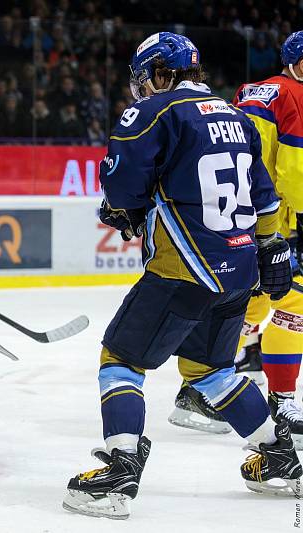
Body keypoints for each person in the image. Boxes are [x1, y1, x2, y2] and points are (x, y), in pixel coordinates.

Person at [63, 32, 300, 520]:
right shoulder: (236, 115)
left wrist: (123, 208)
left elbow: (122, 182)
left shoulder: (155, 111)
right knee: (213, 373)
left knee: (120, 361)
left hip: (183, 270)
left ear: (159, 74)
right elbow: (266, 196)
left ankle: (119, 470)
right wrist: (273, 245)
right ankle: (280, 458)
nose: (141, 88)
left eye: (144, 77)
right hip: (239, 271)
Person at [169, 31, 303, 445]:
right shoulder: (296, 96)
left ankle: (197, 390)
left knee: (252, 299)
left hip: (234, 212)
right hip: (274, 219)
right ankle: (282, 401)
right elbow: (295, 174)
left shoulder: (250, 91)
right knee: (294, 300)